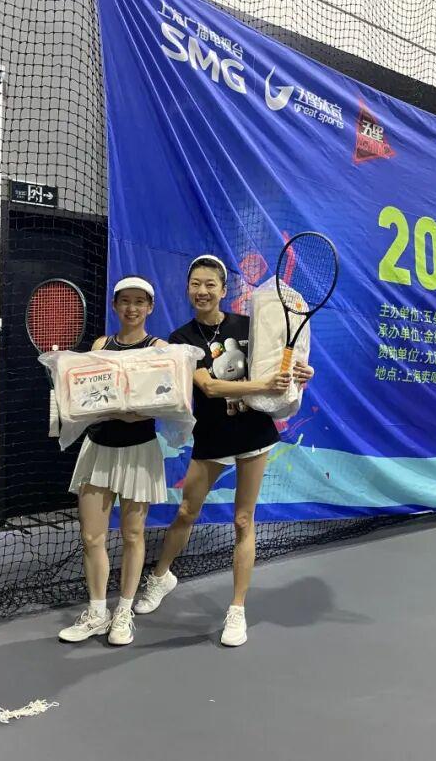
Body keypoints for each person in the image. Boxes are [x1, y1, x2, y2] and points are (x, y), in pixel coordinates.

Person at [134, 255, 313, 646]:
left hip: (254, 432)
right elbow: (210, 387)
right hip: (213, 434)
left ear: (223, 290)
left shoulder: (248, 326)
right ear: (188, 289)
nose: (202, 291)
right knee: (187, 510)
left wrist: (301, 373)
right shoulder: (181, 339)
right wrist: (262, 386)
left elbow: (279, 364)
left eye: (210, 284)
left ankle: (237, 609)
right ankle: (161, 577)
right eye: (195, 284)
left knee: (244, 520)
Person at [58, 276, 167, 647]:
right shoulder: (100, 346)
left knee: (133, 534)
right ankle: (96, 612)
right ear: (116, 305)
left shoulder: (159, 349)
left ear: (150, 307)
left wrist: (123, 411)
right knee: (91, 536)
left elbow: (161, 404)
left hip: (139, 450)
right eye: (125, 301)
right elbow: (90, 399)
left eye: (139, 302)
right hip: (98, 449)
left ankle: (123, 612)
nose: (132, 308)